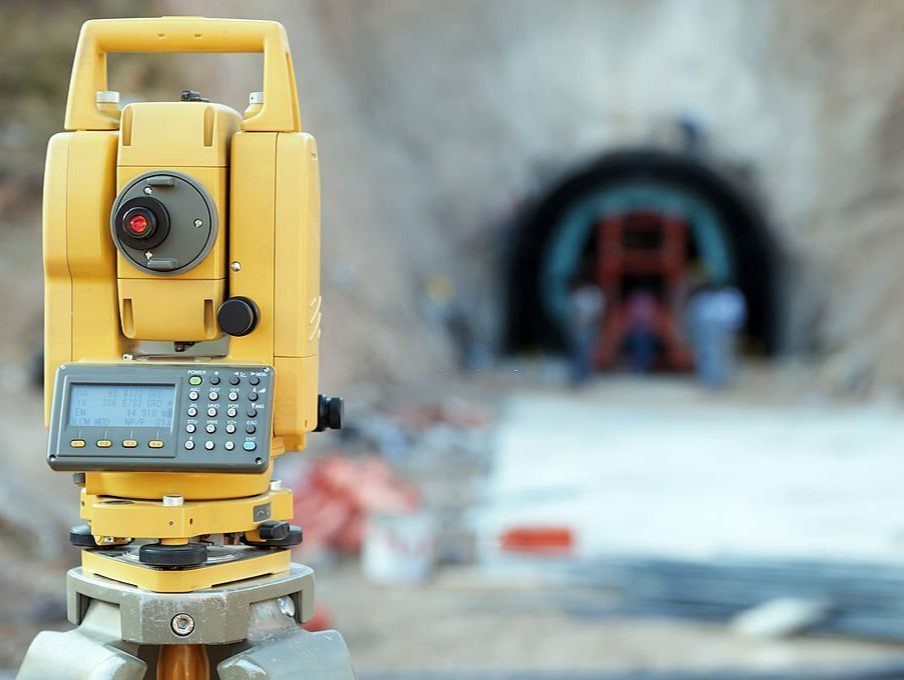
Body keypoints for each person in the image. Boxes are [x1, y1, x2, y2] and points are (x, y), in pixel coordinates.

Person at [685, 284, 747, 388]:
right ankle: (710, 383)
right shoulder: (701, 300)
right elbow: (693, 324)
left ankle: (724, 383)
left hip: (725, 339)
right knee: (708, 359)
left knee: (724, 361)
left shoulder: (730, 298)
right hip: (706, 340)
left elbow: (736, 324)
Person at [567, 279, 605, 386]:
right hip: (579, 327)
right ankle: (577, 376)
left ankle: (585, 376)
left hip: (590, 327)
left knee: (588, 353)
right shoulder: (578, 295)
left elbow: (597, 314)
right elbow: (574, 313)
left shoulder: (594, 294)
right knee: (578, 352)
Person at [624, 290, 659, 373]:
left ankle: (645, 366)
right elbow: (630, 316)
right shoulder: (634, 303)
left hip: (648, 330)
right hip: (635, 330)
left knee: (647, 345)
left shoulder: (649, 303)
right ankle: (637, 365)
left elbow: (653, 317)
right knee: (635, 343)